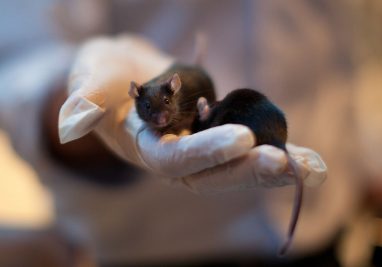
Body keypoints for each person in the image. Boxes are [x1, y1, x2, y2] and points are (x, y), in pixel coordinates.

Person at [0, 1, 336, 266]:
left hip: (327, 226)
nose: (160, 118)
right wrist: (88, 108)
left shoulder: (188, 90)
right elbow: (20, 63)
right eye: (151, 111)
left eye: (165, 110)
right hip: (153, 244)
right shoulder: (157, 97)